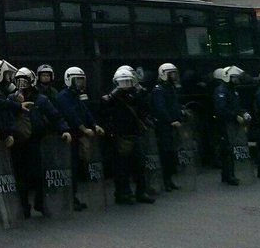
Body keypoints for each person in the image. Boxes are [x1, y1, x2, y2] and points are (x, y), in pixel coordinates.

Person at [13, 67, 69, 216]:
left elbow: (55, 116)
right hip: (19, 142)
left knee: (39, 174)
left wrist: (64, 129)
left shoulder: (40, 99)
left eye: (24, 81)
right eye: (18, 81)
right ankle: (24, 206)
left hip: (37, 141)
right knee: (20, 176)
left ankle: (40, 203)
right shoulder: (12, 99)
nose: (21, 85)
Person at [100, 66, 154, 203]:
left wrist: (140, 93)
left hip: (134, 133)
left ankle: (141, 192)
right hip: (120, 135)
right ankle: (123, 193)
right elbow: (104, 114)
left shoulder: (134, 95)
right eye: (123, 82)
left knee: (139, 165)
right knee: (121, 167)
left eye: (128, 82)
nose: (126, 85)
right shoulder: (111, 98)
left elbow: (143, 110)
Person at [56, 66, 102, 210]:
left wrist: (94, 125)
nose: (80, 84)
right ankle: (69, 198)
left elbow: (85, 111)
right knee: (70, 167)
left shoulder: (76, 96)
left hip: (78, 135)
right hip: (70, 135)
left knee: (75, 167)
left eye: (82, 80)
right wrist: (83, 128)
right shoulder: (63, 96)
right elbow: (70, 114)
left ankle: (73, 197)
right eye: (77, 80)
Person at [150, 63, 185, 191]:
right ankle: (166, 180)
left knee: (171, 153)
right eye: (171, 73)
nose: (174, 76)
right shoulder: (159, 90)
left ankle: (169, 179)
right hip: (164, 126)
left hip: (173, 124)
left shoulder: (170, 88)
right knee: (165, 153)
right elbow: (161, 109)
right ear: (164, 74)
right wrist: (171, 121)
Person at [213, 66, 247, 185]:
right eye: (235, 78)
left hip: (232, 123)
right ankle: (228, 176)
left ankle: (229, 174)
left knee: (230, 148)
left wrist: (243, 113)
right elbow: (221, 109)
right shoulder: (221, 90)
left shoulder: (233, 90)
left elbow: (236, 106)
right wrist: (234, 116)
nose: (237, 80)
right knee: (227, 149)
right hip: (225, 124)